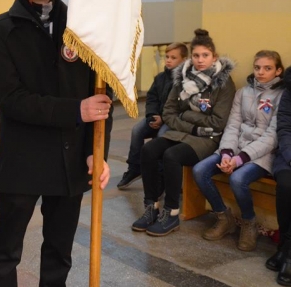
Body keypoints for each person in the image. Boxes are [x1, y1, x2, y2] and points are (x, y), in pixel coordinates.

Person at [0, 0, 112, 287]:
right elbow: (11, 99)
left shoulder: (83, 28)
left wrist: (95, 151)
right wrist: (76, 110)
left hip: (71, 158)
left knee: (59, 250)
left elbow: (101, 98)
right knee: (7, 249)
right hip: (24, 159)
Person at [132, 29, 236, 237]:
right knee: (149, 150)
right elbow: (168, 112)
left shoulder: (223, 83)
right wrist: (190, 124)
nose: (200, 60)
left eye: (205, 55)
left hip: (207, 139)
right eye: (196, 55)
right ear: (191, 57)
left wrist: (186, 115)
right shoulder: (182, 77)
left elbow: (217, 123)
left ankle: (171, 213)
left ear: (214, 57)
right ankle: (152, 207)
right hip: (182, 133)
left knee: (172, 156)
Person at [192, 50, 284, 250]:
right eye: (257, 67)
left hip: (263, 154)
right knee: (199, 170)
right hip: (236, 148)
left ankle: (249, 223)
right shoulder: (243, 92)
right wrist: (227, 153)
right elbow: (233, 126)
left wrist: (240, 159)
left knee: (238, 178)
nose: (261, 72)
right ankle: (224, 217)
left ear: (278, 71)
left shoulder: (282, 95)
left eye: (267, 68)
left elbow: (272, 137)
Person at [117, 42, 188, 188]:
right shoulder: (160, 78)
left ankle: (161, 175)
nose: (168, 60)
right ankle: (135, 167)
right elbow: (151, 98)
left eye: (173, 57)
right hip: (157, 117)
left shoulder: (185, 81)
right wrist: (152, 115)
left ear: (184, 60)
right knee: (137, 130)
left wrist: (163, 119)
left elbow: (180, 105)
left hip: (173, 121)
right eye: (167, 56)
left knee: (161, 135)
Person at [268, 69, 291, 286]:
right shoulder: (289, 89)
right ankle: (285, 244)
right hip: (288, 154)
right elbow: (284, 126)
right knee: (285, 185)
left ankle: (287, 251)